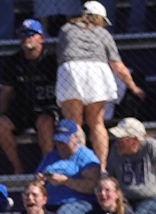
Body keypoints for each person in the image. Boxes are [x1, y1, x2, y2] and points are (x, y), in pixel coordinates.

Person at [55, 1, 144, 164]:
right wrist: (134, 87)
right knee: (97, 123)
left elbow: (60, 57)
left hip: (71, 69)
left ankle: (77, 164)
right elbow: (117, 65)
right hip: (96, 71)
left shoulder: (66, 29)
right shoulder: (103, 33)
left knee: (74, 123)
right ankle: (101, 166)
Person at [0, 20, 62, 176]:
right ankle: (18, 168)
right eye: (23, 34)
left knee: (44, 122)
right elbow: (6, 92)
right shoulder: (14, 61)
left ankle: (48, 167)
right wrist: (3, 113)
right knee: (0, 124)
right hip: (23, 109)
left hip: (47, 108)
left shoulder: (52, 60)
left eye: (31, 33)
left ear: (41, 38)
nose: (27, 38)